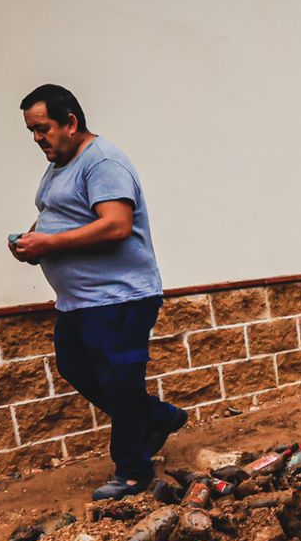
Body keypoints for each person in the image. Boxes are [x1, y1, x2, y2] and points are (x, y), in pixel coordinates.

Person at [10, 83, 186, 500]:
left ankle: (132, 471)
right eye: (32, 131)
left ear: (70, 122)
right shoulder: (59, 164)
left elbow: (116, 225)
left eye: (43, 128)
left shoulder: (103, 162)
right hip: (81, 302)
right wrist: (31, 241)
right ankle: (158, 417)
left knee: (122, 382)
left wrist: (48, 244)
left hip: (120, 298)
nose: (38, 139)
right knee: (75, 367)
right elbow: (56, 214)